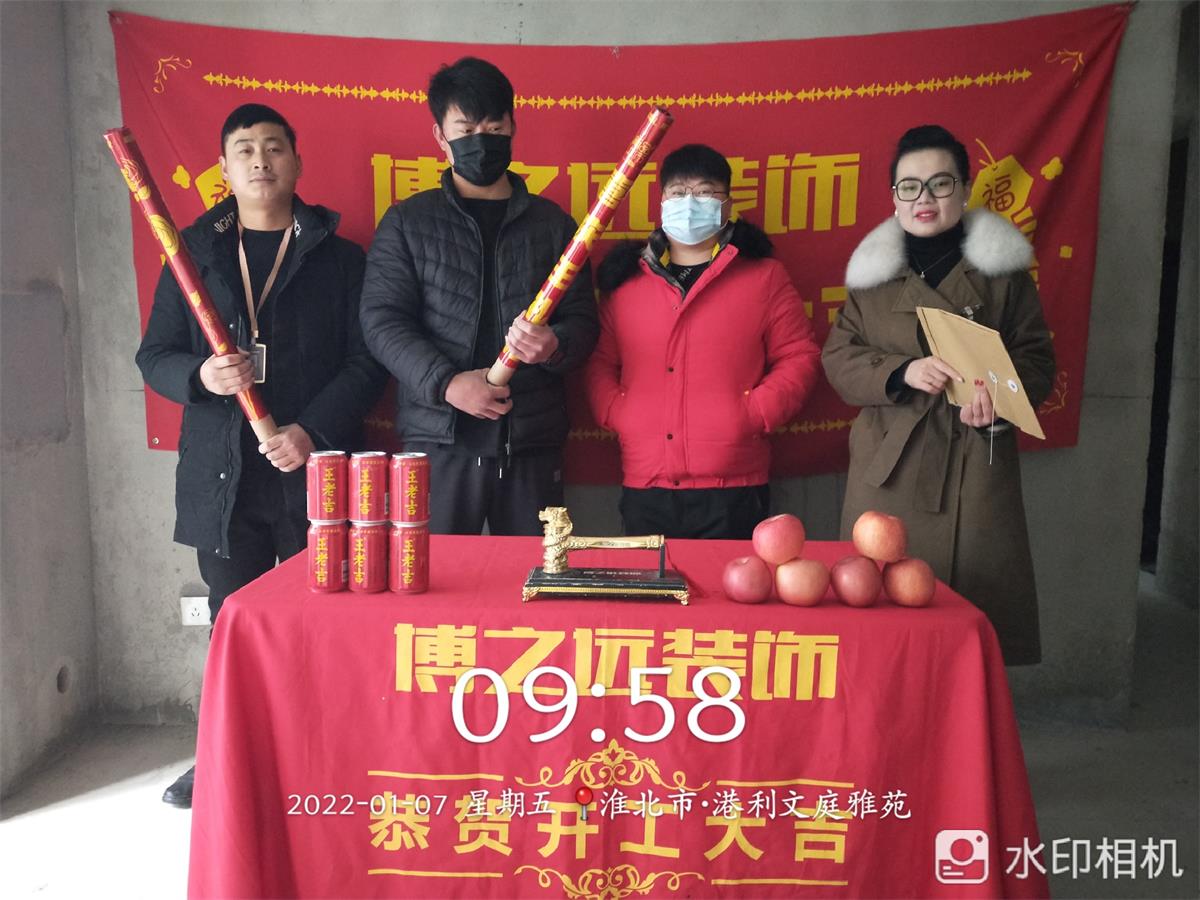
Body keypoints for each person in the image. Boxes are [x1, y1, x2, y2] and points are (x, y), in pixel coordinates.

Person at [135, 103, 387, 807]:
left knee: (322, 620)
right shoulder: (192, 256)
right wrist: (200, 376)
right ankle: (223, 758)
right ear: (224, 168)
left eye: (274, 147)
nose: (260, 160)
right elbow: (153, 356)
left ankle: (321, 754)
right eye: (244, 149)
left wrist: (312, 432)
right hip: (225, 476)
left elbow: (367, 363)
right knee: (233, 622)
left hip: (313, 470)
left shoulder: (341, 258)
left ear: (297, 162)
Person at [822, 124, 1056, 665]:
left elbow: (1037, 360)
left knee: (968, 618)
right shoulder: (871, 279)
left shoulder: (1003, 276)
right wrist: (901, 371)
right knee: (878, 614)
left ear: (965, 189)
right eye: (909, 187)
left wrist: (998, 403)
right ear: (894, 197)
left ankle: (964, 714)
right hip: (890, 466)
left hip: (974, 460)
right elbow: (838, 358)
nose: (923, 198)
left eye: (940, 183)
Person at [360, 57, 598, 535]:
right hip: (439, 440)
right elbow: (382, 321)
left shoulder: (554, 225)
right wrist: (446, 383)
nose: (481, 140)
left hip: (530, 441)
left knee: (537, 576)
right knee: (436, 576)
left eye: (493, 127)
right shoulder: (408, 222)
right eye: (466, 129)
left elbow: (583, 321)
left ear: (512, 127)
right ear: (440, 136)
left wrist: (554, 345)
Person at [585, 144, 821, 539]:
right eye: (678, 192)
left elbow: (799, 356)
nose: (690, 203)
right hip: (646, 482)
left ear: (727, 204)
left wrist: (752, 414)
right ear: (662, 202)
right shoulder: (626, 281)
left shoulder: (763, 276)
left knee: (735, 579)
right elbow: (599, 362)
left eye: (705, 191)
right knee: (648, 580)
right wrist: (618, 412)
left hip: (735, 482)